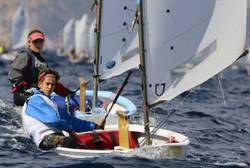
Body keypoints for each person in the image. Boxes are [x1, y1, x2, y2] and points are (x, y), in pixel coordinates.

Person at [22, 69, 105, 150]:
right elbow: (54, 120)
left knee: (86, 141)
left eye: (53, 85)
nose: (50, 87)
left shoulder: (52, 103)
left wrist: (95, 126)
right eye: (47, 84)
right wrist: (70, 131)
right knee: (70, 142)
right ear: (40, 84)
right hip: (44, 139)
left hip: (57, 135)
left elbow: (71, 121)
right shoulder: (35, 100)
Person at [8, 29, 72, 106]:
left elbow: (48, 81)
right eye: (36, 42)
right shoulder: (24, 56)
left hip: (36, 94)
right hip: (22, 95)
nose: (38, 44)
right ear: (29, 42)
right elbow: (13, 75)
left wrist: (66, 92)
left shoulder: (42, 61)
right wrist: (25, 87)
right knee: (45, 102)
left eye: (40, 42)